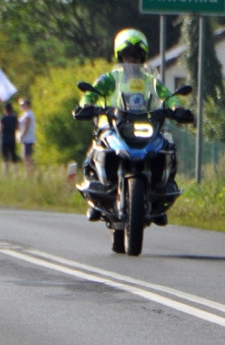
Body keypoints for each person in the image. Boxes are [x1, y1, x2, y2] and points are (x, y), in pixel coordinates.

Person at [76, 29, 188, 216]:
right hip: (114, 124)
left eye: (136, 57)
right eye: (128, 56)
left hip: (145, 123)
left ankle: (163, 186)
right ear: (120, 57)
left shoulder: (151, 80)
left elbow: (167, 96)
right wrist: (87, 104)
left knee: (167, 145)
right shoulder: (110, 78)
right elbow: (92, 92)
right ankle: (95, 185)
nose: (132, 60)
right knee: (98, 145)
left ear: (142, 59)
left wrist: (177, 107)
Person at [0, 101, 19, 175]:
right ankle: (15, 172)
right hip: (12, 139)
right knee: (13, 156)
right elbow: (17, 127)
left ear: (4, 109)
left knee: (5, 158)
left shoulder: (2, 119)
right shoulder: (15, 117)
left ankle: (6, 173)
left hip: (4, 139)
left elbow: (0, 130)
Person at [17, 97, 36, 175]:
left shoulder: (28, 114)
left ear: (27, 105)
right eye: (21, 105)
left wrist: (22, 135)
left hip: (28, 138)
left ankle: (30, 172)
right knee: (25, 156)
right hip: (26, 139)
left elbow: (26, 126)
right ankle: (29, 172)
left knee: (27, 157)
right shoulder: (25, 114)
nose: (21, 106)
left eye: (23, 104)